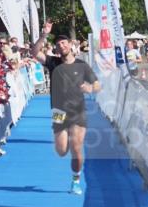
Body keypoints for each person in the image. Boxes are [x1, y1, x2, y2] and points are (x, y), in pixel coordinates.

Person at [32, 21, 100, 195]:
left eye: (64, 43)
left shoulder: (82, 65)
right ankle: (66, 142)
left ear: (70, 45)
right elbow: (34, 53)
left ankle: (75, 181)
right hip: (58, 112)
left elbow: (97, 84)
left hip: (78, 112)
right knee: (62, 150)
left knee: (76, 147)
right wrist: (44, 35)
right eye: (58, 44)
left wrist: (90, 88)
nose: (61, 45)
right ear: (56, 48)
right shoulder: (53, 63)